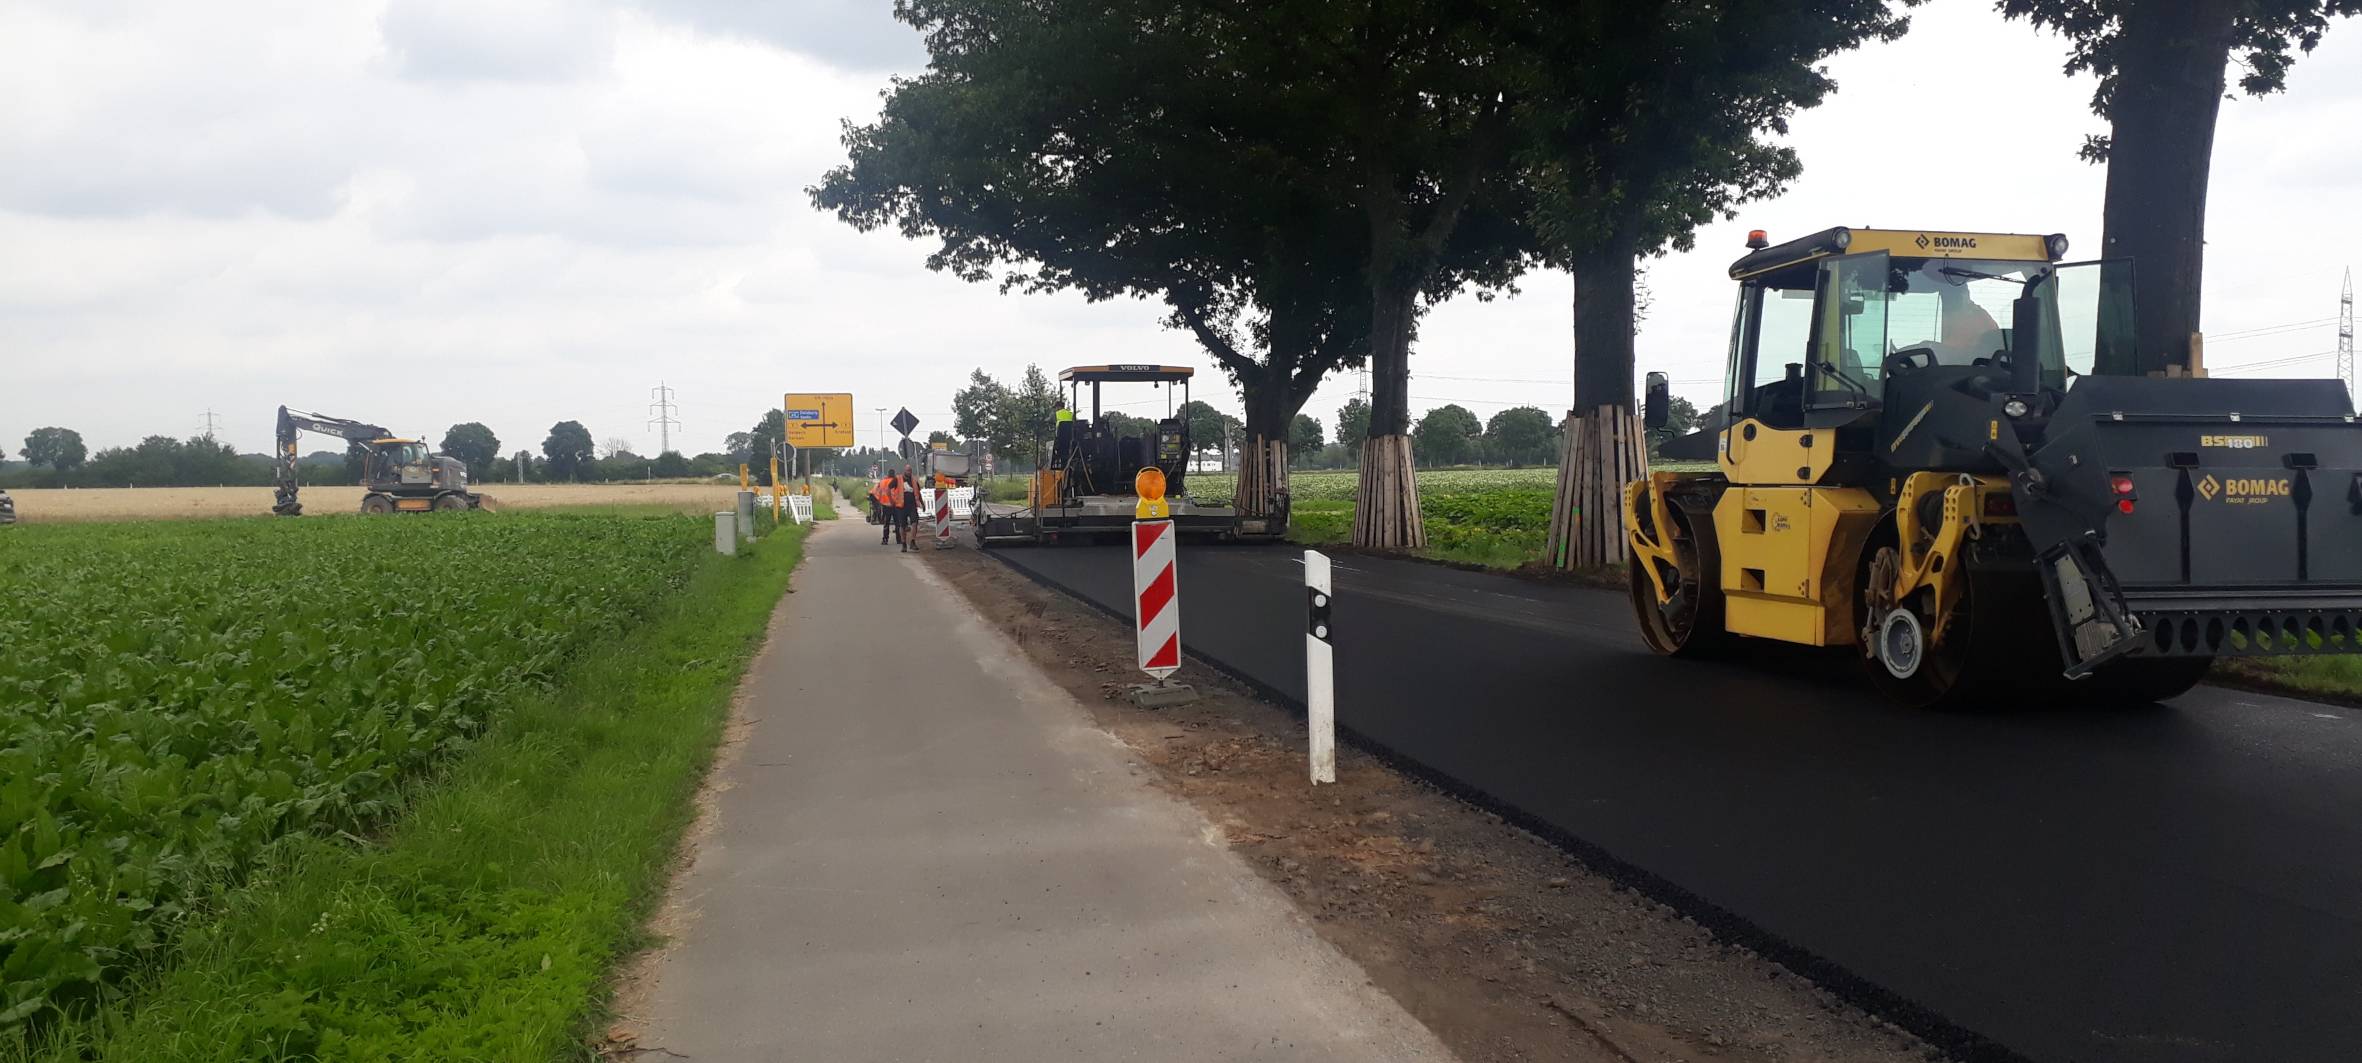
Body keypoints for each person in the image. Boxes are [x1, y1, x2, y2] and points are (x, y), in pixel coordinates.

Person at [874, 473, 903, 546]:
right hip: (895, 504)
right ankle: (899, 539)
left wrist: (880, 500)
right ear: (894, 475)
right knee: (897, 523)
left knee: (886, 523)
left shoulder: (882, 481)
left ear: (888, 475)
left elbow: (877, 491)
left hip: (886, 505)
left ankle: (885, 539)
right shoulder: (896, 481)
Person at [899, 467, 922, 551]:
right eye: (907, 470)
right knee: (902, 525)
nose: (909, 472)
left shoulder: (914, 481)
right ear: (904, 471)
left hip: (912, 506)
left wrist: (922, 503)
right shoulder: (898, 480)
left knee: (914, 523)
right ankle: (903, 544)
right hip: (902, 506)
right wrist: (892, 501)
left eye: (910, 471)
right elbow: (890, 489)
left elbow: (918, 493)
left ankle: (912, 542)